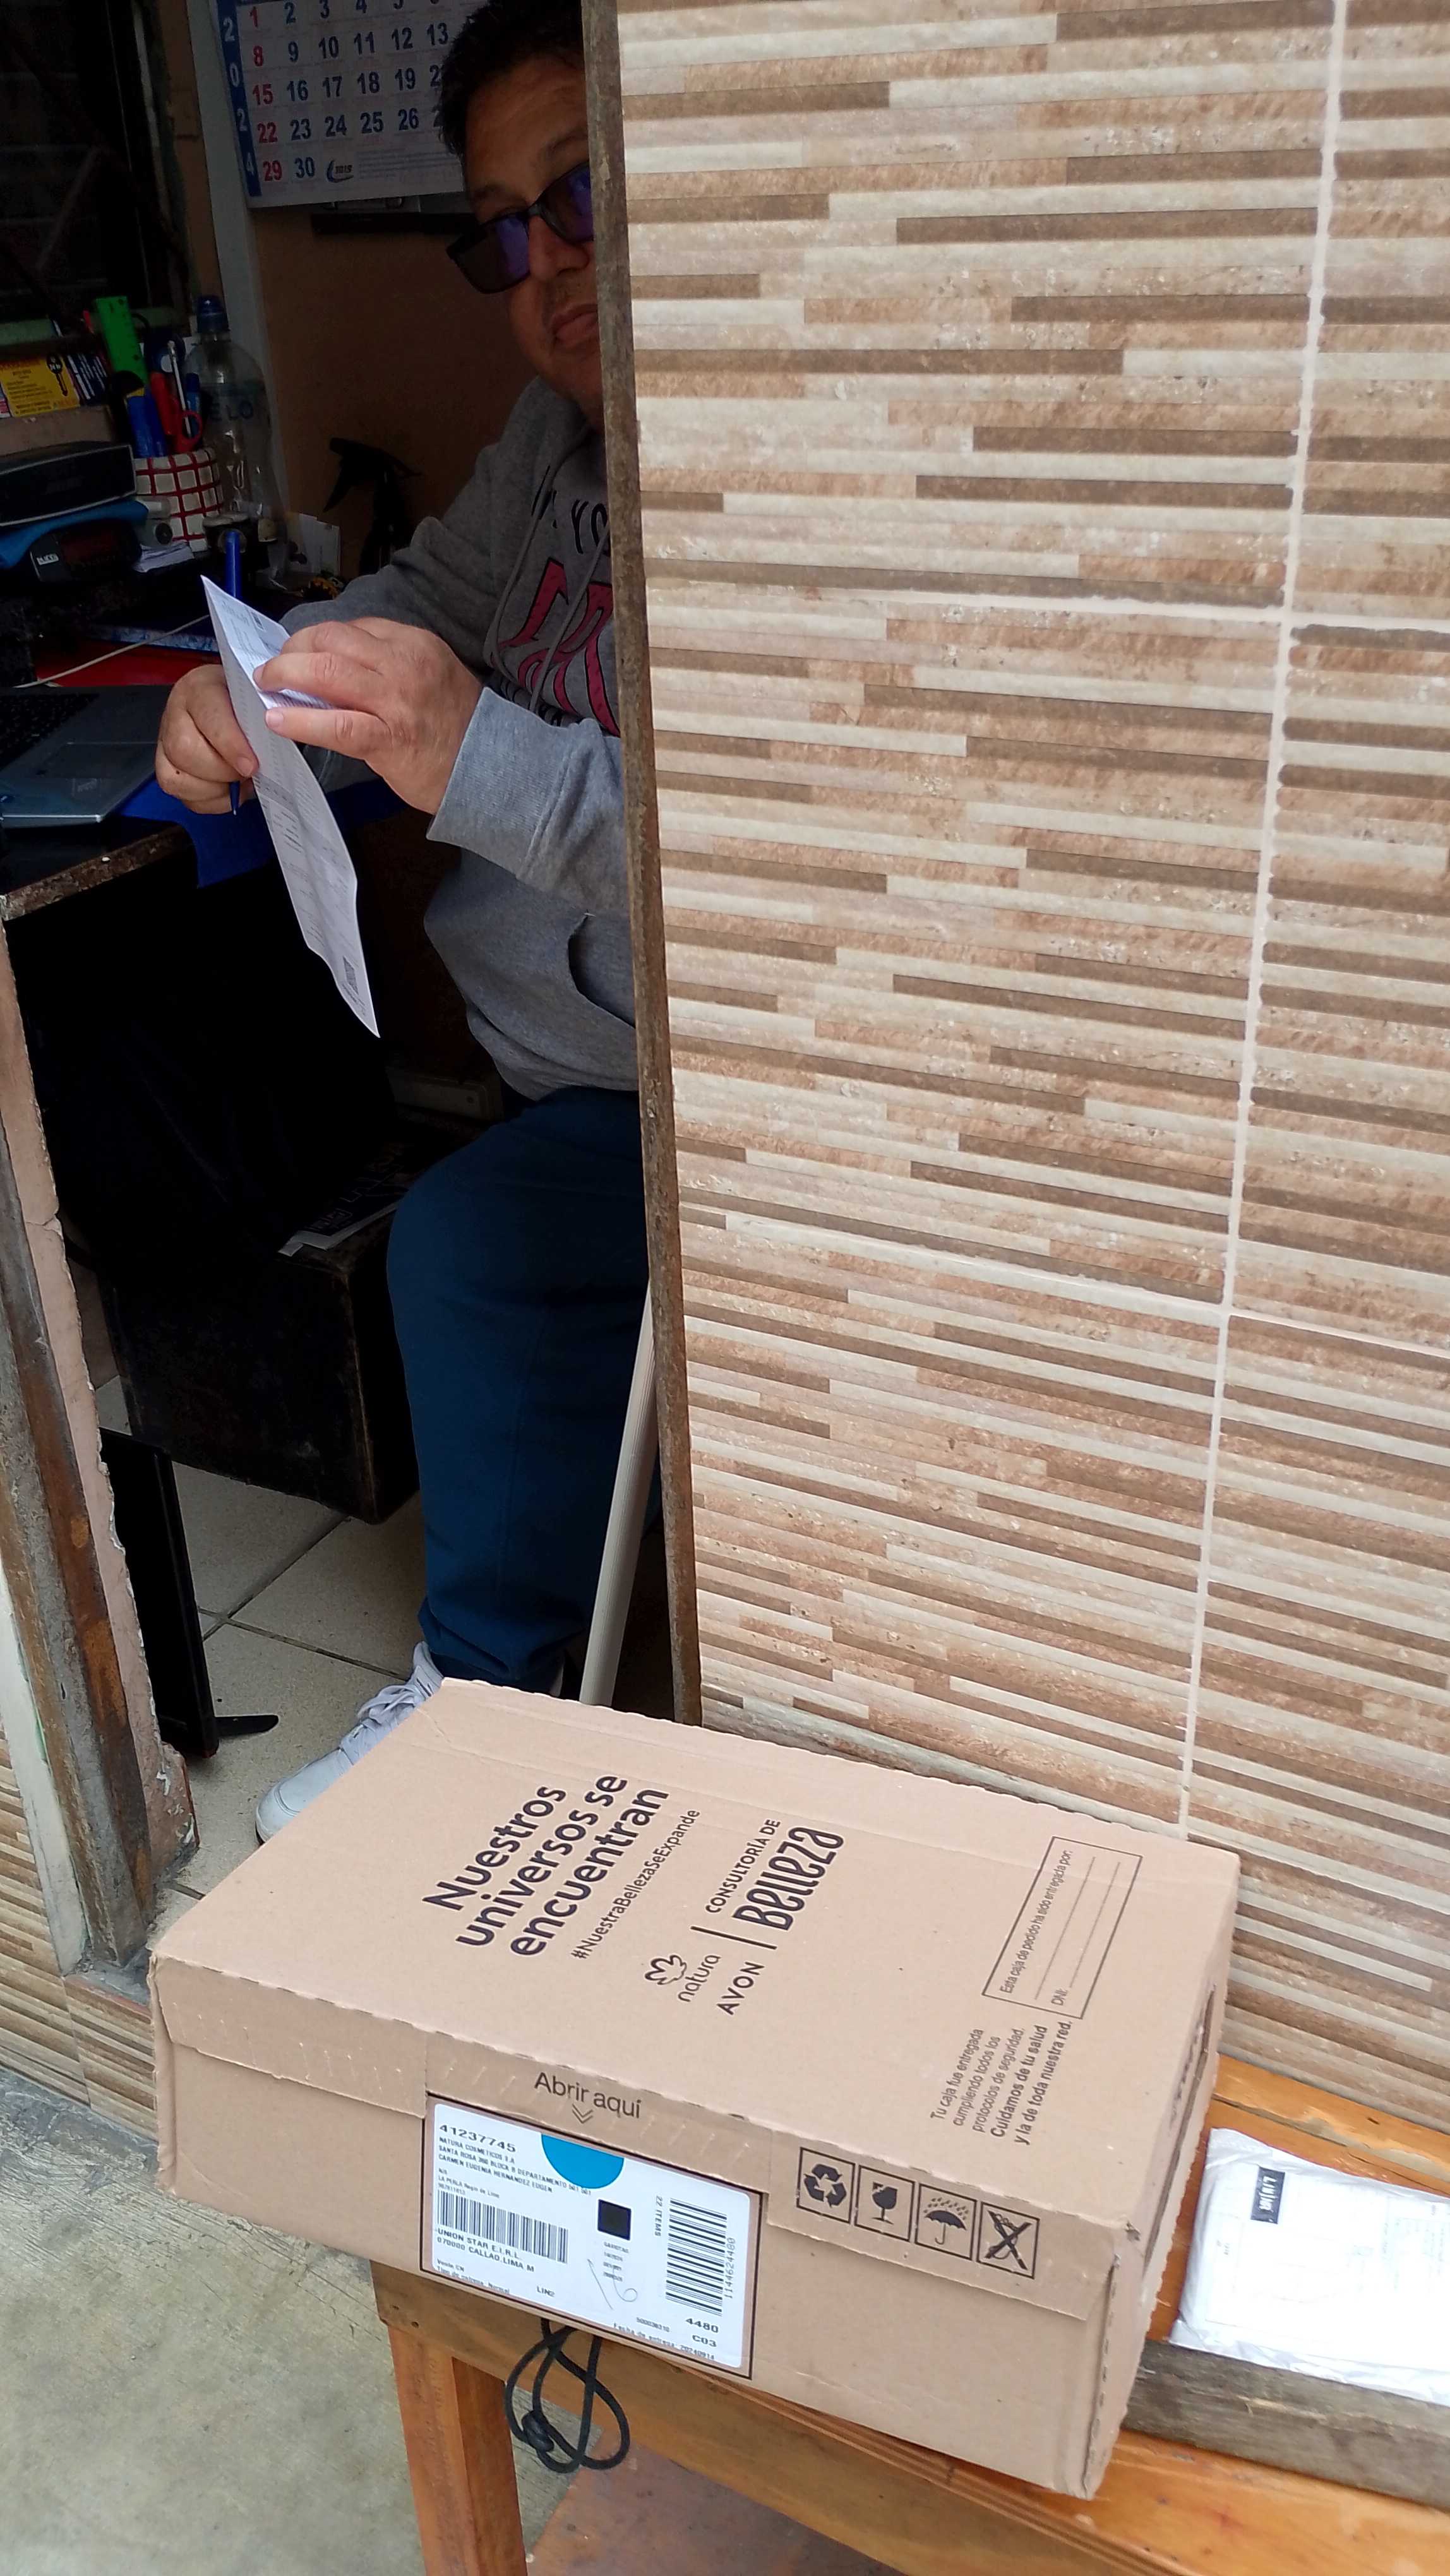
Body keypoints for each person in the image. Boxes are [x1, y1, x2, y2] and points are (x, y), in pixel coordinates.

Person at [156, 0, 643, 1839]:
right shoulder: (553, 442)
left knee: (463, 1244)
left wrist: (470, 753)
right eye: (505, 231)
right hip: (558, 1064)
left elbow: (769, 863)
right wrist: (266, 679)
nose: (548, 267)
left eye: (579, 194)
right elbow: (422, 600)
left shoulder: (771, 468)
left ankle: (488, 1711)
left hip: (696, 1100)